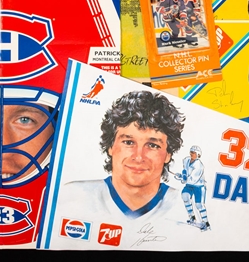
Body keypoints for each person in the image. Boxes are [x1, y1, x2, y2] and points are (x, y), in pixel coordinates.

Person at [57, 90, 185, 223]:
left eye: (152, 145)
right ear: (110, 146)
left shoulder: (186, 207)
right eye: (129, 142)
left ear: (168, 154)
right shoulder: (72, 196)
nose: (139, 156)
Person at [174, 145, 210, 231]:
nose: (191, 154)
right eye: (191, 152)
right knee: (185, 196)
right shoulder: (186, 160)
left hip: (199, 186)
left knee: (199, 205)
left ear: (198, 155)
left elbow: (193, 179)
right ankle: (192, 216)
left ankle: (206, 223)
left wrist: (182, 179)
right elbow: (186, 174)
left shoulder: (199, 165)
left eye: (193, 152)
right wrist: (181, 176)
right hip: (189, 185)